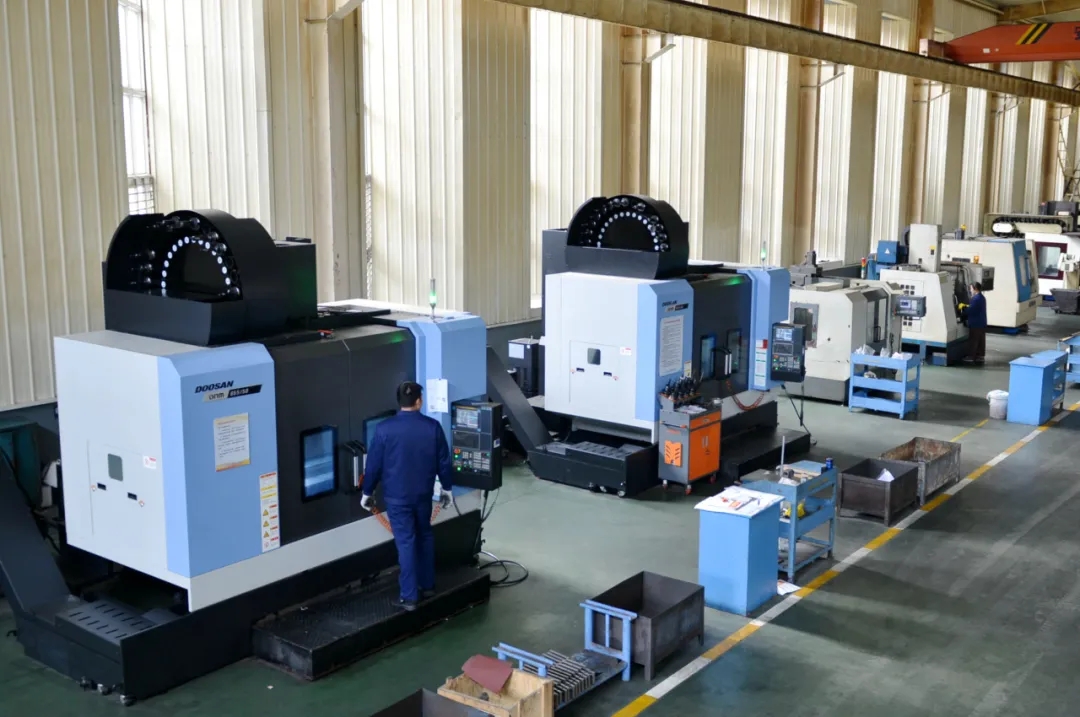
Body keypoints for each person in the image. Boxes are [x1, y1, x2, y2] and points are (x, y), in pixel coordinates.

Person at [360, 382, 455, 611]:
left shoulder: (384, 429)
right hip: (423, 495)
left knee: (406, 542)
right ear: (419, 401)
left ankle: (410, 596)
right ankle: (428, 586)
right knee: (424, 536)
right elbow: (444, 462)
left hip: (397, 499)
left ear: (399, 401)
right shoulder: (432, 427)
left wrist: (367, 492)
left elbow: (373, 465)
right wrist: (447, 489)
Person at [960, 282, 987, 364]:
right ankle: (980, 356)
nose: (970, 290)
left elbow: (971, 310)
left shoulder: (976, 299)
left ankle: (971, 357)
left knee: (973, 340)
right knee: (981, 340)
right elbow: (975, 308)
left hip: (975, 323)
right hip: (981, 322)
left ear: (975, 289)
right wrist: (967, 306)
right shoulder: (981, 297)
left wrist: (963, 309)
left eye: (971, 288)